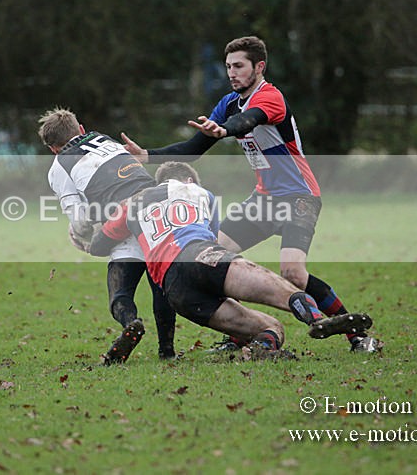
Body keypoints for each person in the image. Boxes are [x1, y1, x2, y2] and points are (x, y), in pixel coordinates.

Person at [121, 36, 380, 353]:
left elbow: (250, 119)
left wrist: (226, 130)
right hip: (263, 199)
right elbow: (192, 149)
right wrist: (147, 155)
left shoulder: (271, 98)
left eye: (239, 66)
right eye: (228, 66)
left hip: (299, 197)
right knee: (215, 260)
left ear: (259, 67)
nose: (232, 73)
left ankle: (357, 335)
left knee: (294, 273)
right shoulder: (228, 102)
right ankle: (242, 336)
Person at [86, 161, 373, 359]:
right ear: (188, 180)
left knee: (271, 328)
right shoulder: (199, 192)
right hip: (201, 256)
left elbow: (101, 244)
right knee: (283, 292)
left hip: (177, 292)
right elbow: (212, 239)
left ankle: (257, 351)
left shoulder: (131, 204)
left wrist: (86, 241)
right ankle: (316, 319)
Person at [37, 107, 176, 364]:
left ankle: (130, 322)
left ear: (53, 149)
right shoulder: (105, 139)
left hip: (122, 221)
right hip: (157, 210)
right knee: (161, 286)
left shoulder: (59, 165)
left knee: (120, 292)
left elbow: (79, 219)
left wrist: (79, 233)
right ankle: (167, 351)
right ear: (81, 130)